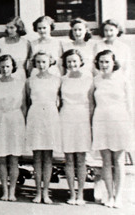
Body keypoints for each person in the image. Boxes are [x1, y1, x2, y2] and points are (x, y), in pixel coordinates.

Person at [92, 50, 134, 208]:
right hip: (101, 122)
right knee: (106, 161)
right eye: (101, 62)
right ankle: (109, 195)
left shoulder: (123, 79)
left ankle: (119, 196)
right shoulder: (96, 80)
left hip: (119, 122)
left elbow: (130, 105)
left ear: (114, 63)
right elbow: (92, 104)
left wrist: (130, 125)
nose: (104, 65)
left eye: (107, 62)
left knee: (118, 161)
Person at [0, 55, 26, 201]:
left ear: (13, 67)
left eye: (8, 66)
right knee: (2, 159)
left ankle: (12, 191)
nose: (5, 69)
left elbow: (24, 107)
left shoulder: (20, 84)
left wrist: (25, 127)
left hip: (16, 120)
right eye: (2, 66)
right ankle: (4, 190)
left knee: (14, 159)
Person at [26, 51, 61, 204]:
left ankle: (46, 192)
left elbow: (60, 101)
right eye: (38, 62)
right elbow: (27, 102)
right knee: (37, 157)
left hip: (51, 117)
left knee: (48, 156)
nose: (41, 65)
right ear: (35, 63)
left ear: (50, 62)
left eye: (44, 62)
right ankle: (37, 192)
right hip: (35, 116)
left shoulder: (57, 80)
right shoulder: (30, 81)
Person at [60, 49, 94, 205]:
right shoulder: (62, 79)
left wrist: (91, 123)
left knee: (81, 159)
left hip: (82, 118)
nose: (72, 64)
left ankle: (80, 194)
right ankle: (71, 193)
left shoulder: (88, 79)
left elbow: (92, 104)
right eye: (69, 62)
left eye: (74, 61)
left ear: (80, 61)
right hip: (66, 117)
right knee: (68, 160)